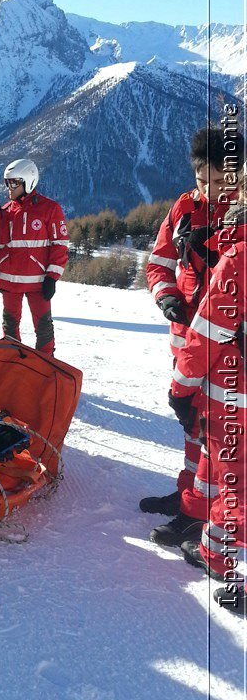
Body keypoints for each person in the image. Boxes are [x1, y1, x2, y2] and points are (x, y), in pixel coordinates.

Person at [143, 127, 245, 545]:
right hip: (187, 340)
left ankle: (206, 514)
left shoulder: (242, 218)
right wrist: (166, 297)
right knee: (190, 423)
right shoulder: (185, 208)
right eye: (203, 180)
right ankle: (190, 496)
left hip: (227, 348)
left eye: (220, 181)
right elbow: (158, 264)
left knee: (219, 432)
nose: (210, 189)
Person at [168, 195, 246, 613]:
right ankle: (209, 541)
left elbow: (205, 334)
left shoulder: (239, 259)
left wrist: (180, 389)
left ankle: (223, 559)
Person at [0, 159, 68, 355]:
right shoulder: (4, 213)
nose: (9, 188)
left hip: (38, 282)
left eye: (14, 183)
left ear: (28, 181)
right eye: (7, 183)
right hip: (8, 281)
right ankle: (13, 360)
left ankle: (46, 364)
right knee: (10, 325)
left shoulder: (50, 209)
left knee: (43, 327)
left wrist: (52, 277)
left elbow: (60, 245)